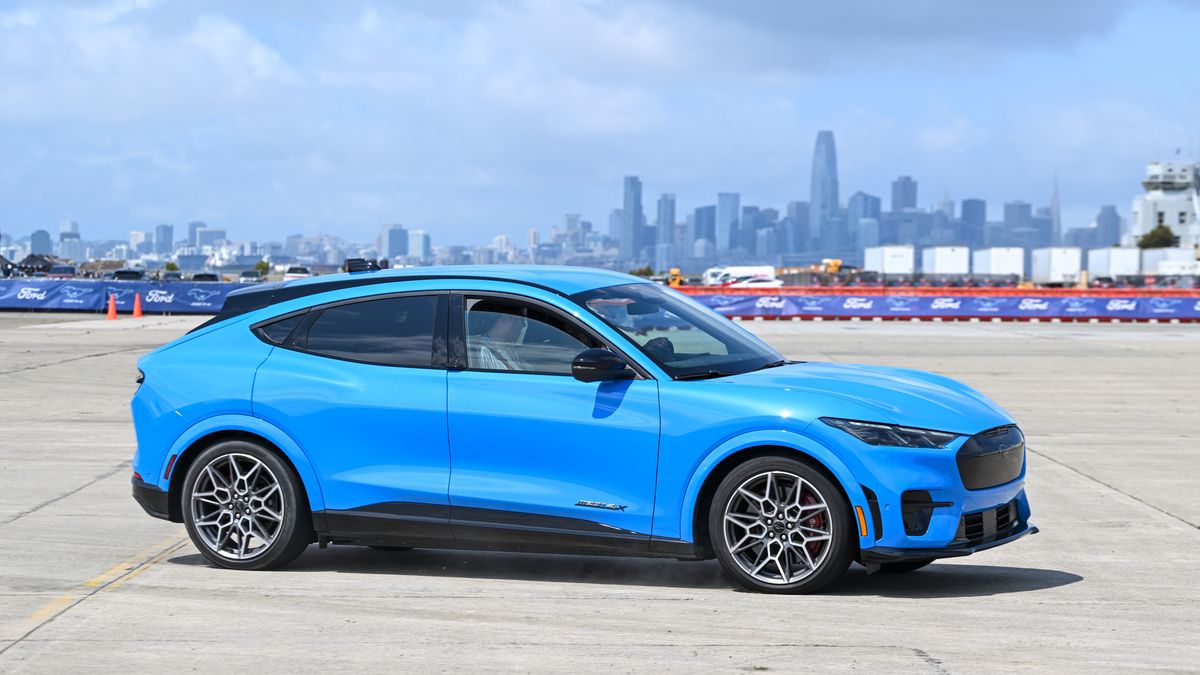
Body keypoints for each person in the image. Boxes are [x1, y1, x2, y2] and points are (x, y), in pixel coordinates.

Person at [470, 305, 530, 371]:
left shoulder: (511, 352)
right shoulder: (480, 350)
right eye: (522, 319)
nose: (524, 325)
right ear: (506, 318)